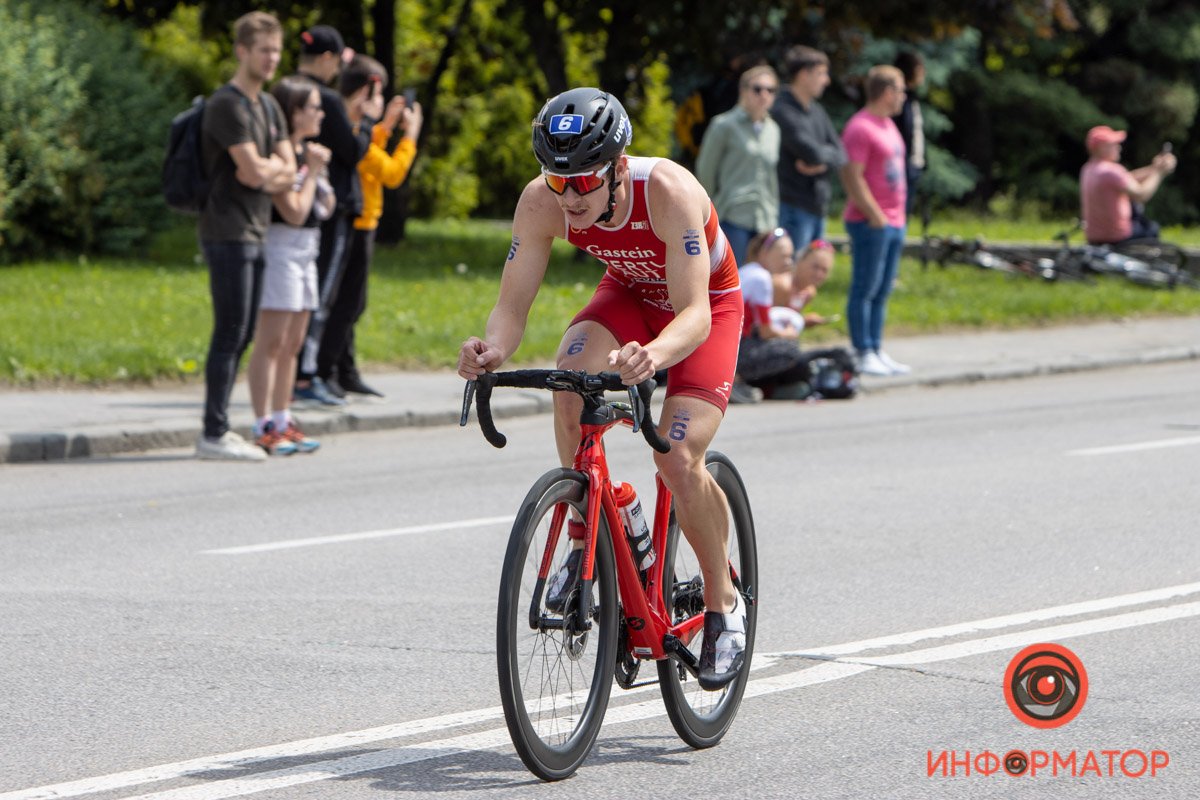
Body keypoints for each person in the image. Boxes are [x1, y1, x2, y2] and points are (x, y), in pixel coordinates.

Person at [457, 88, 747, 690]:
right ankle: (597, 528)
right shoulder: (542, 202)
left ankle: (724, 606)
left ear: (617, 169)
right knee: (569, 382)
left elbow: (694, 312)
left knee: (676, 452)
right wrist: (492, 349)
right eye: (557, 182)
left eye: (583, 183)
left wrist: (656, 356)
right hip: (633, 294)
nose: (570, 197)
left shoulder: (668, 190)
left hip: (705, 309)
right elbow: (512, 306)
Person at [194, 11, 295, 461]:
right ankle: (213, 432)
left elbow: (286, 167)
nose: (272, 58)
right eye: (263, 50)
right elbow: (254, 173)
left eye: (276, 50)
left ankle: (219, 428)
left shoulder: (269, 105)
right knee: (230, 331)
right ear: (242, 51)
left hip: (256, 232)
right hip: (227, 230)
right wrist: (272, 171)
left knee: (242, 333)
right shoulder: (227, 104)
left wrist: (271, 171)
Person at [314, 55, 423, 399]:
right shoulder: (350, 129)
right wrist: (410, 136)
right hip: (356, 222)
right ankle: (326, 370)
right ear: (367, 89)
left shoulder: (357, 127)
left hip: (364, 220)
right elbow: (390, 172)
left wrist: (386, 125)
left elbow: (371, 147)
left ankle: (344, 370)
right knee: (347, 303)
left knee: (349, 302)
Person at [247, 76, 334, 456]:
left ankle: (283, 419)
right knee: (271, 341)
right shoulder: (283, 160)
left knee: (293, 343)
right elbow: (295, 211)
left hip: (307, 250)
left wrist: (316, 175)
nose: (320, 113)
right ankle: (261, 423)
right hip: (282, 247)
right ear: (294, 113)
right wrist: (311, 173)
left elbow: (324, 208)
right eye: (313, 107)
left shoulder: (307, 155)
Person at [292, 25, 372, 407]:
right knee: (320, 296)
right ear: (327, 59)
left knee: (302, 295)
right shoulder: (323, 97)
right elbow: (353, 150)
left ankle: (299, 375)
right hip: (332, 207)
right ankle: (308, 376)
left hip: (299, 205)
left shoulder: (285, 89)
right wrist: (368, 120)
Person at [840, 65, 909, 378]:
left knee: (882, 289)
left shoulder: (888, 125)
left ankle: (876, 348)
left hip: (894, 220)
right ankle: (862, 350)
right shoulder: (860, 127)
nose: (904, 97)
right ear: (887, 92)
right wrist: (875, 215)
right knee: (865, 287)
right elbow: (851, 175)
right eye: (901, 90)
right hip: (871, 222)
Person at [694, 65, 781, 267]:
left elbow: (771, 178)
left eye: (771, 90)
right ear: (743, 90)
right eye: (758, 89)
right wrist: (712, 210)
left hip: (765, 220)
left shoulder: (774, 129)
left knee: (759, 286)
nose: (764, 95)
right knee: (733, 282)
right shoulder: (723, 125)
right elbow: (706, 172)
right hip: (732, 216)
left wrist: (773, 217)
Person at [771, 45, 847, 252]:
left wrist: (821, 164)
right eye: (821, 73)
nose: (827, 80)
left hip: (817, 207)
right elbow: (811, 153)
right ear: (804, 75)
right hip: (792, 207)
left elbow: (841, 152)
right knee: (791, 274)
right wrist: (822, 157)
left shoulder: (817, 111)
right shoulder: (782, 110)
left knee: (810, 278)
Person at [1080, 125, 1177, 245]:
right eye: (1114, 144)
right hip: (1117, 237)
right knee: (1153, 229)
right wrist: (1159, 173)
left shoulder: (1088, 169)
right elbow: (1141, 195)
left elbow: (1126, 178)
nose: (1119, 147)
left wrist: (1154, 168)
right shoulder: (1111, 171)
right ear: (1101, 147)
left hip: (1094, 237)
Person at [770, 237, 837, 334]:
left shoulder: (809, 292)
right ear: (800, 261)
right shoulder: (782, 285)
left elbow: (785, 321)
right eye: (815, 267)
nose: (819, 274)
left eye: (824, 270)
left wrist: (804, 321)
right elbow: (766, 324)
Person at [892, 51, 926, 215]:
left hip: (912, 165)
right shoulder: (899, 104)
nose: (923, 74)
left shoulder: (912, 99)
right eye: (919, 69)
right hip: (902, 167)